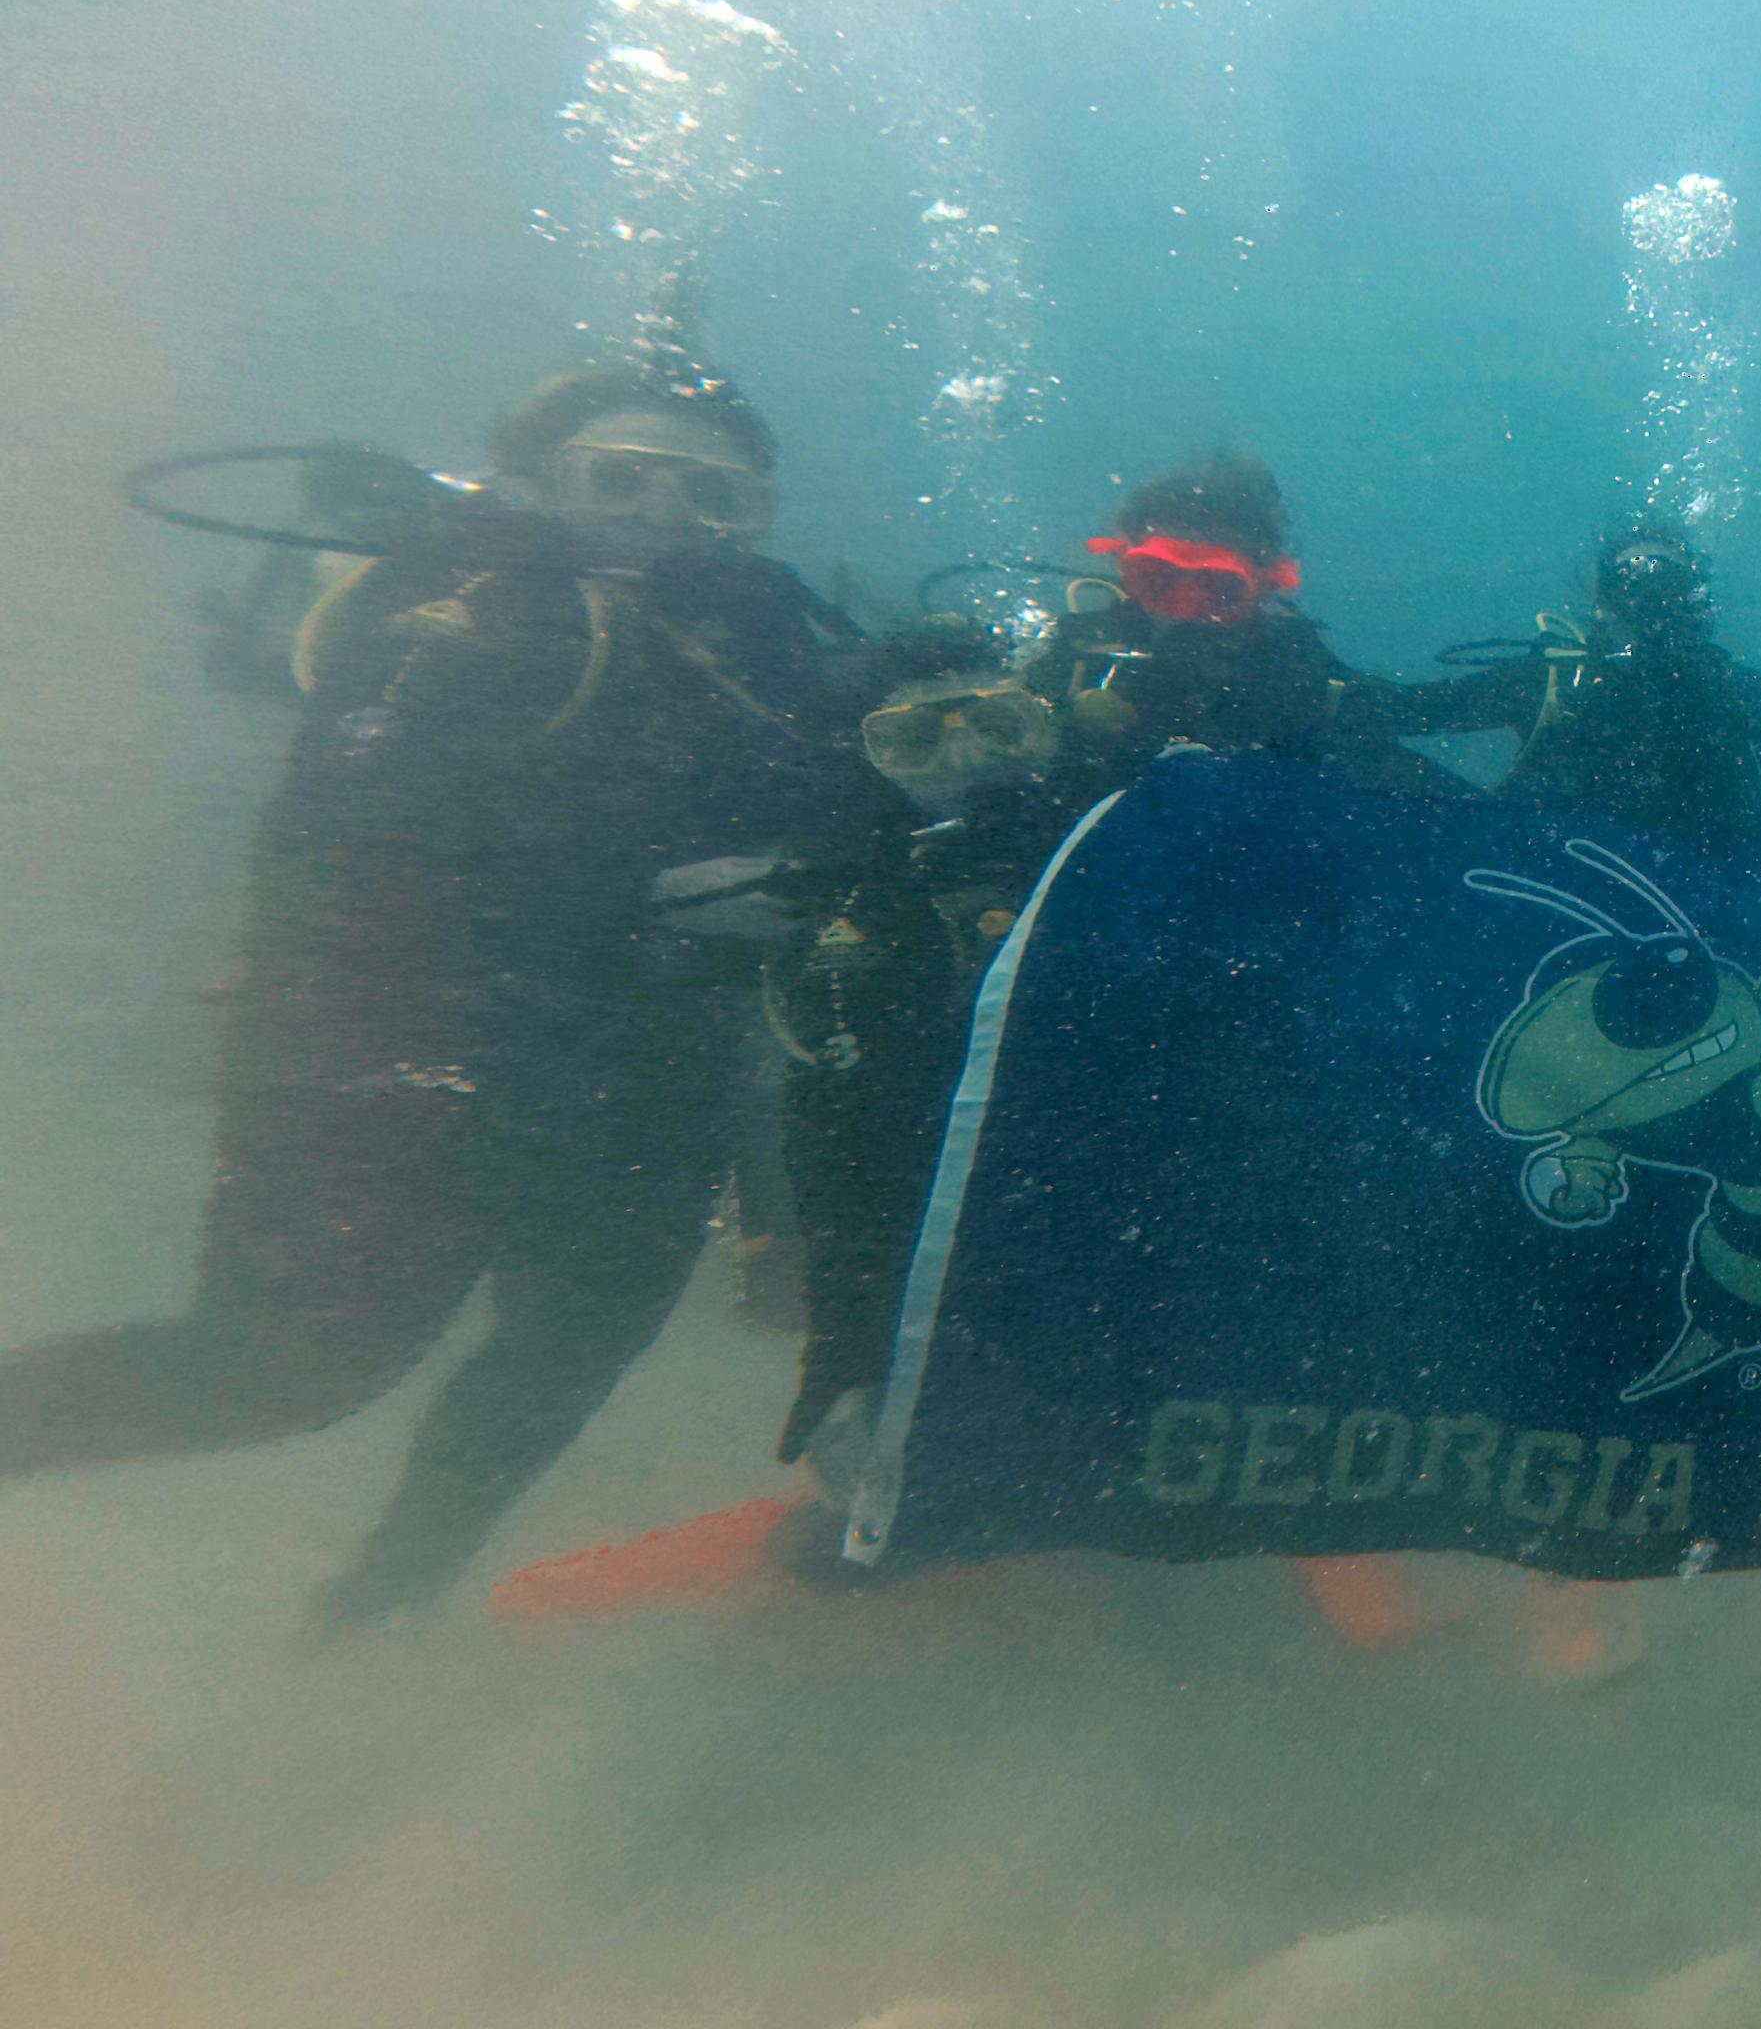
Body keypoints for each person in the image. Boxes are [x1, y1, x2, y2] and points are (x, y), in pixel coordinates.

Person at [0, 339, 861, 1624]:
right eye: (620, 482)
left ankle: (387, 1594)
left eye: (711, 499)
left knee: (576, 1343)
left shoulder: (778, 652)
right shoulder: (457, 604)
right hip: (407, 1054)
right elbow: (362, 828)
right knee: (281, 1373)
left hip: (639, 1086)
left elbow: (846, 837)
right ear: (534, 483)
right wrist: (637, 897)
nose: (666, 523)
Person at [764, 621, 1082, 1479]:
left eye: (999, 726)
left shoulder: (1119, 839)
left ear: (1045, 726)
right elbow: (829, 1120)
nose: (963, 762)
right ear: (870, 757)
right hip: (926, 1181)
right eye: (912, 741)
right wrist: (842, 1325)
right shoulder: (859, 890)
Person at [1358, 520, 1761, 869]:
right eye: (1645, 596)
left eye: (1666, 596)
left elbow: (1404, 711)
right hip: (1690, 919)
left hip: (1560, 906)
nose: (1655, 614)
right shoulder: (1726, 687)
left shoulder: (1557, 680)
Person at [1021, 451, 1454, 802]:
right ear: (1121, 566)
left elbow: (1414, 714)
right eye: (1158, 581)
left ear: (1266, 584)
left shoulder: (1293, 669)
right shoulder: (1077, 653)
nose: (1183, 612)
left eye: (1219, 590)